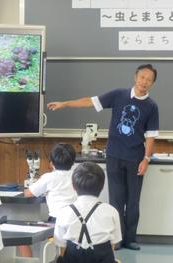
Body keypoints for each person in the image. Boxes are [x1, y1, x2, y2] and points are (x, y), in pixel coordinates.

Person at [47, 64, 159, 250]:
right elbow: (90, 101)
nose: (144, 82)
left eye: (149, 80)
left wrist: (146, 159)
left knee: (133, 201)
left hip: (136, 158)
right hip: (114, 154)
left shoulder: (151, 106)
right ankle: (119, 239)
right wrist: (65, 103)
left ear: (152, 83)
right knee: (116, 199)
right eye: (142, 77)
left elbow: (151, 135)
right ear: (135, 77)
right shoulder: (118, 95)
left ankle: (130, 238)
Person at [54, 162, 121, 263]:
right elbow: (113, 244)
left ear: (73, 186)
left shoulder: (64, 212)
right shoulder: (112, 211)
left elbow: (62, 247)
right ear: (102, 186)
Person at [24, 143, 77, 221]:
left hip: (56, 220)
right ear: (73, 162)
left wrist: (38, 182)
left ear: (51, 163)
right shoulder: (78, 175)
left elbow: (27, 193)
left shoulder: (48, 177)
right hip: (76, 219)